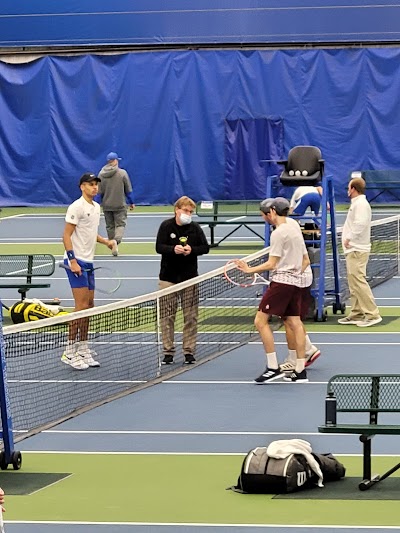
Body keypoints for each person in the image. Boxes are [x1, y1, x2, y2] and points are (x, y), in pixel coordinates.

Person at [235, 197, 312, 383]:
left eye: (264, 214)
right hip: (295, 282)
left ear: (273, 212)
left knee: (260, 321)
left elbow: (271, 263)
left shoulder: (278, 233)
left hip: (282, 283)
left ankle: (272, 367)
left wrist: (248, 269)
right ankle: (300, 370)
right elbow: (306, 260)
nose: (265, 217)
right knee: (295, 322)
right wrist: (293, 273)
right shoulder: (295, 229)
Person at [62, 172, 115, 370]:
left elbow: (91, 233)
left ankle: (82, 347)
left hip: (88, 262)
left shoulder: (96, 207)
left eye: (96, 184)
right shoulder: (76, 207)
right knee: (81, 306)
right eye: (90, 184)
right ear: (82, 186)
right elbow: (66, 236)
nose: (95, 187)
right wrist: (72, 260)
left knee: (89, 306)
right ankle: (69, 351)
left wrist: (106, 242)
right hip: (75, 262)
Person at [156, 196, 209, 365]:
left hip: (189, 278)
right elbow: (159, 247)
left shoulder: (195, 228)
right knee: (166, 317)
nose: (188, 214)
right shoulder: (166, 226)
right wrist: (173, 249)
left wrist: (191, 250)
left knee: (191, 317)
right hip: (168, 278)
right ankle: (168, 352)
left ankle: (189, 352)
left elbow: (205, 248)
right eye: (186, 210)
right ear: (177, 210)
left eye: (191, 211)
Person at [338, 177, 382, 327]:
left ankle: (372, 314)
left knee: (359, 281)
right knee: (353, 283)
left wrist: (349, 238)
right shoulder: (356, 204)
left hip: (357, 249)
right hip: (352, 249)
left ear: (353, 189)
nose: (347, 190)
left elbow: (360, 223)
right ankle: (356, 313)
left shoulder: (361, 204)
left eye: (349, 187)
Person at [97, 152, 135, 257]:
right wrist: (131, 202)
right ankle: (115, 242)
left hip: (107, 205)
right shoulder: (122, 173)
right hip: (120, 204)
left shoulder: (101, 174)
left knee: (110, 226)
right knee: (120, 224)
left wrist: (96, 204)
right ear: (115, 161)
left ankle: (111, 243)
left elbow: (99, 191)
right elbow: (128, 190)